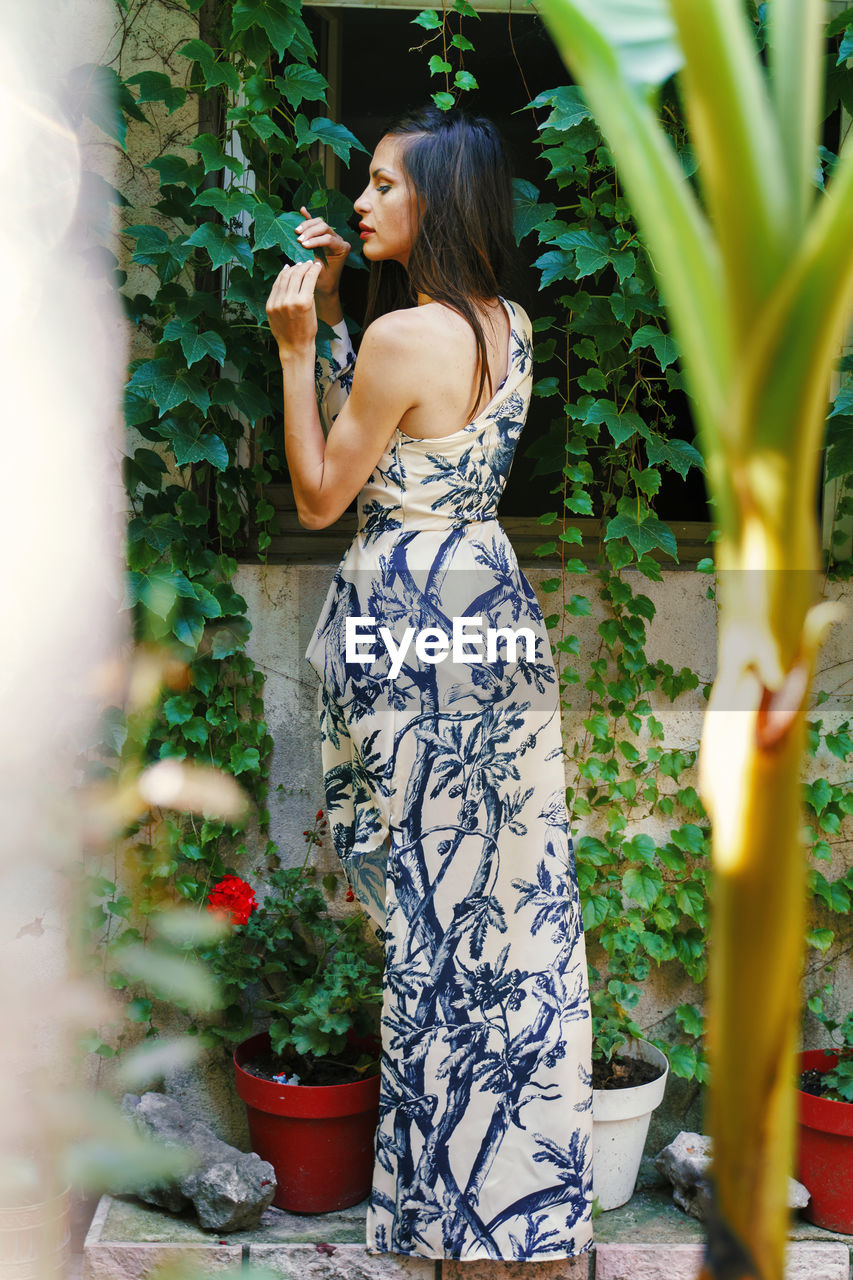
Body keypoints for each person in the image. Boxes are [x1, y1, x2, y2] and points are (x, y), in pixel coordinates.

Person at [265, 104, 593, 1264]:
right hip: (489, 607)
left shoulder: (406, 340)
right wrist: (351, 298)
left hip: (414, 626)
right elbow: (408, 435)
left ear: (438, 202)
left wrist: (300, 348)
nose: (361, 202)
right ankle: (521, 1204)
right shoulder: (504, 323)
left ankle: (447, 1212)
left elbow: (319, 494)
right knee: (504, 914)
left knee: (433, 921)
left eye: (384, 187)